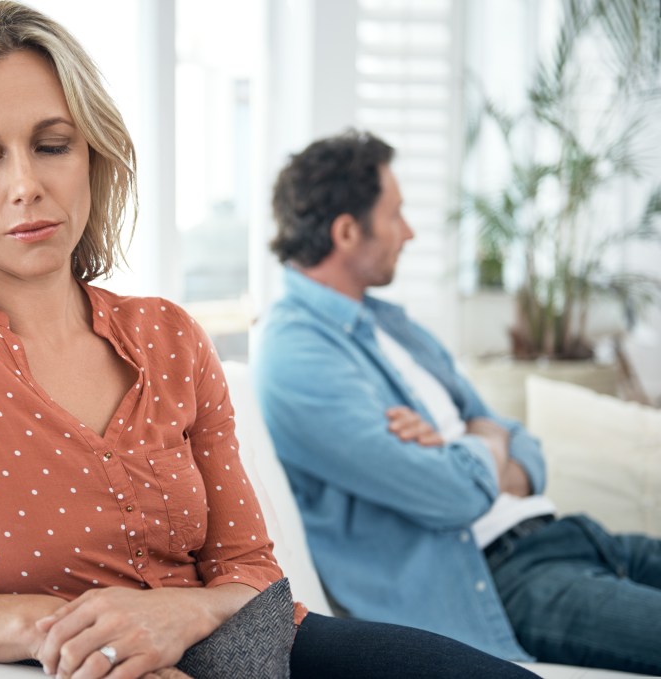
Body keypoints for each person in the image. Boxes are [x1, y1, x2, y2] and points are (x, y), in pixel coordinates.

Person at [0, 5, 539, 678]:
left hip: (265, 646)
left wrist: (177, 614)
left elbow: (252, 570)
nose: (26, 184)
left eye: (52, 144)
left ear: (91, 153)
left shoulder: (168, 335)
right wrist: (59, 630)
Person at [253, 129, 661, 675]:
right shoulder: (297, 354)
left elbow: (517, 437)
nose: (410, 232)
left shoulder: (393, 326)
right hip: (504, 576)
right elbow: (451, 493)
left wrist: (473, 443)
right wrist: (483, 443)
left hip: (566, 533)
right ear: (347, 231)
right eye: (395, 215)